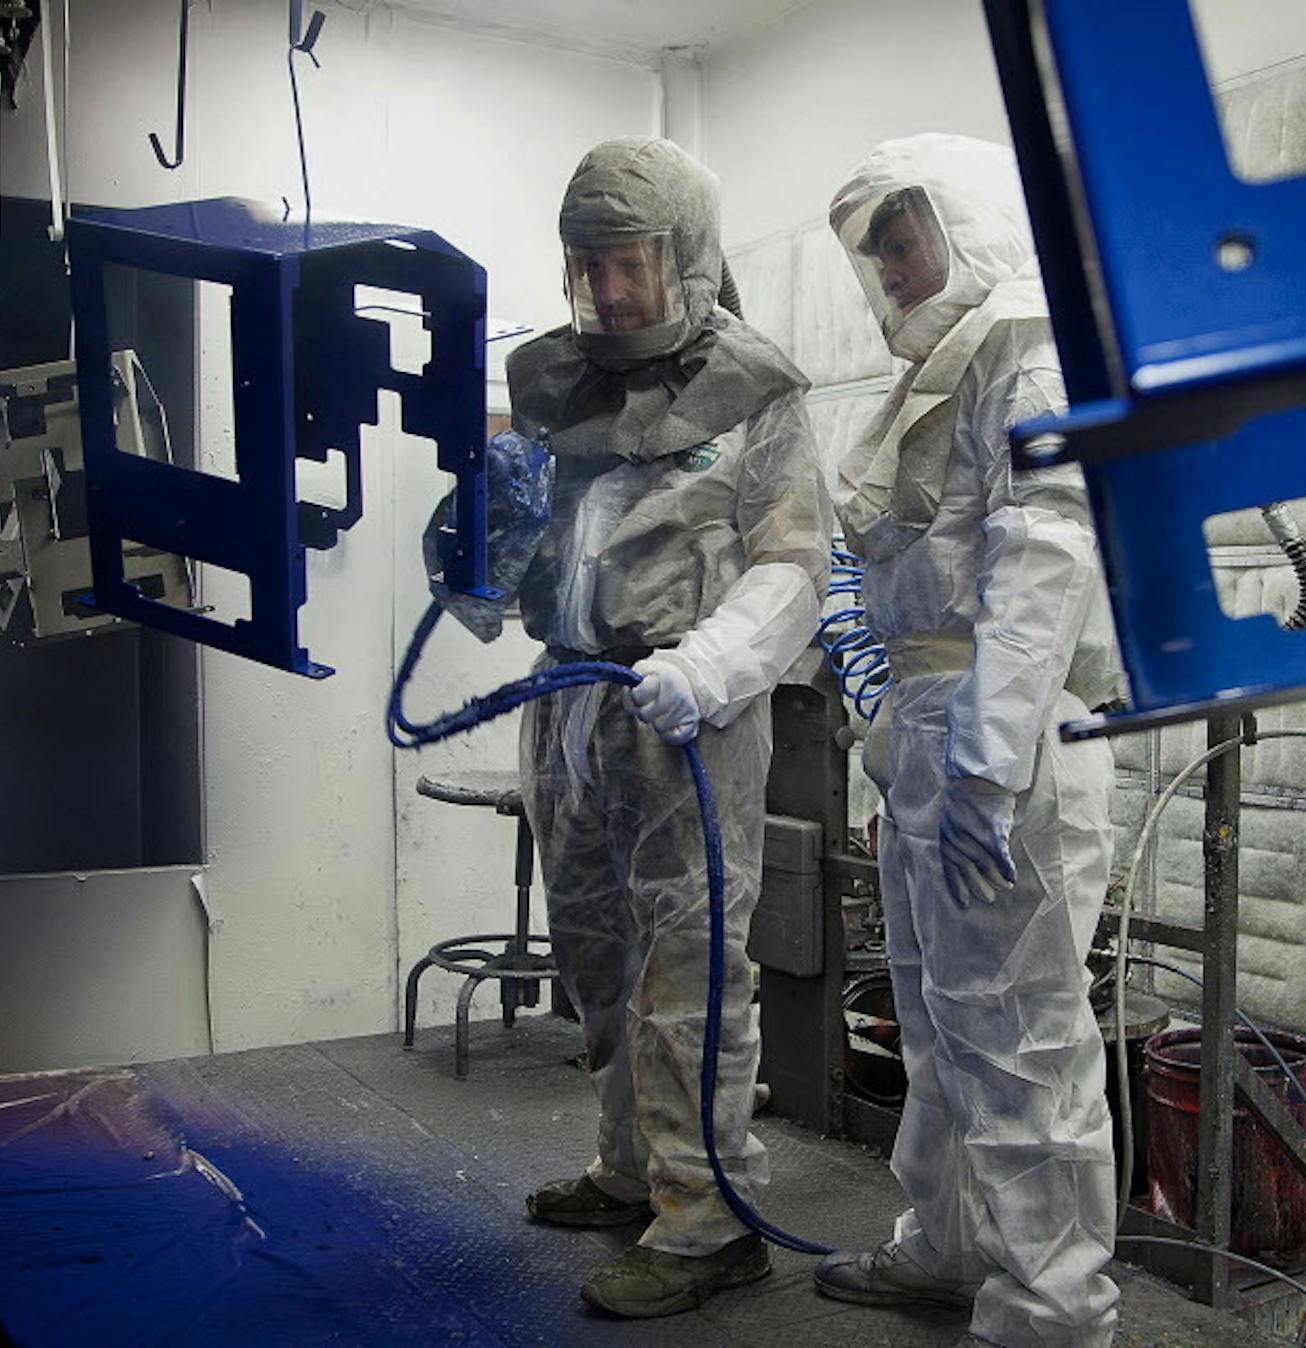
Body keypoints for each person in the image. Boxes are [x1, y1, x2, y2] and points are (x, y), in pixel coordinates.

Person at [433, 136, 830, 1319]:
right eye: (586, 267)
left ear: (689, 258)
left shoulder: (759, 392)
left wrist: (708, 666)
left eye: (630, 266)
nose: (606, 293)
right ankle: (631, 1170)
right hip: (570, 703)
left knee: (689, 969)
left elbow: (797, 567)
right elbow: (497, 580)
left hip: (688, 719)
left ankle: (710, 1222)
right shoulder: (549, 383)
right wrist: (468, 551)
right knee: (598, 948)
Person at [812, 133, 1125, 1348]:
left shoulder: (1029, 360)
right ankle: (946, 1248)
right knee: (939, 1016)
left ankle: (1053, 1313)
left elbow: (1046, 554)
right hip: (937, 736)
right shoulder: (943, 371)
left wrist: (990, 762)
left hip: (1013, 738)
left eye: (908, 232)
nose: (891, 261)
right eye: (877, 244)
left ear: (973, 220)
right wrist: (904, 731)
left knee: (1022, 1039)